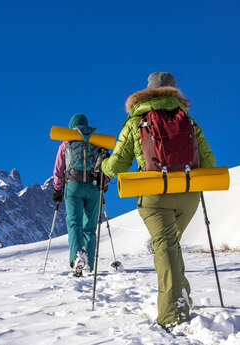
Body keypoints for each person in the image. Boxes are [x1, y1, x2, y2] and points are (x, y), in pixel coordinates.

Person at [101, 72, 215, 330]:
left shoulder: (136, 120)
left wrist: (103, 164)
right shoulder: (188, 120)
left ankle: (172, 314)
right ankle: (182, 297)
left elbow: (117, 165)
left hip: (154, 194)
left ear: (147, 91)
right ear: (174, 92)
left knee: (165, 249)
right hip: (188, 193)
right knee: (170, 246)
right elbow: (209, 162)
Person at [52, 113, 104, 277]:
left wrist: (57, 190)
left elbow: (59, 170)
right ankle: (88, 262)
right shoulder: (97, 142)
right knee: (90, 226)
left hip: (73, 186)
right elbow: (105, 165)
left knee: (74, 224)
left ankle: (77, 258)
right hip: (93, 187)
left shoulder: (66, 143)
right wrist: (104, 184)